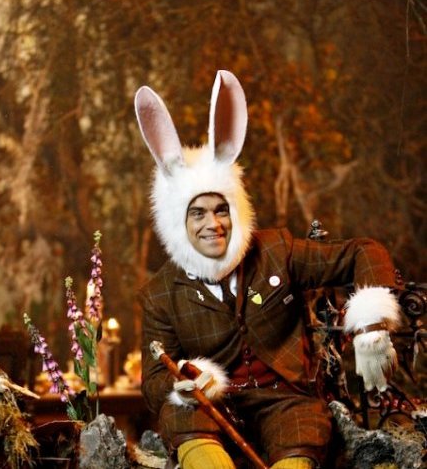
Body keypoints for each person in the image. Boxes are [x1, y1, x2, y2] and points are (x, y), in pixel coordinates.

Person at [134, 71, 402, 469]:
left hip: (286, 405)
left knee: (303, 430)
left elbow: (364, 252)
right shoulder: (161, 293)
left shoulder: (277, 251)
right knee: (181, 416)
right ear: (178, 224)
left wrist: (372, 327)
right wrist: (187, 380)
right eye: (198, 214)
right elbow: (154, 380)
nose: (213, 224)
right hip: (211, 409)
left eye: (221, 209)